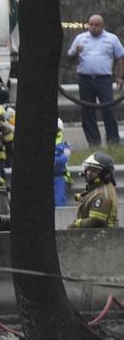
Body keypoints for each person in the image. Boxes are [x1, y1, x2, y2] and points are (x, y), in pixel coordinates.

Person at [66, 14, 124, 146]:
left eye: (96, 25)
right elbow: (70, 59)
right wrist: (76, 53)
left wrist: (121, 76)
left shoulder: (111, 39)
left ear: (102, 26)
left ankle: (113, 141)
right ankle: (94, 142)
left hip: (104, 79)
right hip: (85, 79)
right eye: (90, 24)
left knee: (108, 109)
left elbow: (121, 56)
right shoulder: (80, 38)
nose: (93, 27)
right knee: (87, 111)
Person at [69, 151, 118, 228]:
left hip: (103, 237)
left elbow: (95, 221)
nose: (89, 173)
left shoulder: (102, 194)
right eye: (88, 169)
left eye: (94, 170)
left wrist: (76, 224)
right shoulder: (99, 187)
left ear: (105, 173)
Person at [54, 119, 72, 207]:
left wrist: (54, 160)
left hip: (60, 177)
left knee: (59, 202)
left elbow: (65, 159)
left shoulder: (64, 145)